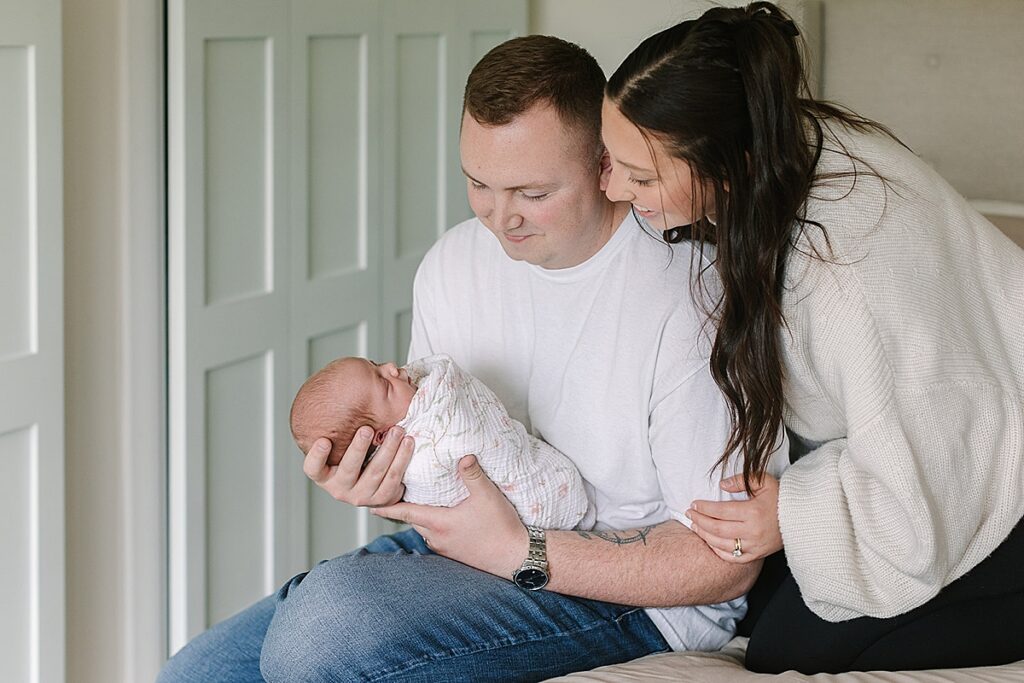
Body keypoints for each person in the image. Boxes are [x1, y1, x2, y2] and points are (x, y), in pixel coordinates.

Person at [159, 35, 787, 683]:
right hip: (474, 545)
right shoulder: (452, 265)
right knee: (192, 673)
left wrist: (523, 549)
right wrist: (384, 481)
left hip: (631, 594)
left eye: (532, 193)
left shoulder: (689, 297)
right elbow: (438, 444)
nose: (499, 217)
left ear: (606, 164)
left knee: (320, 635)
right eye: (478, 183)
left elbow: (725, 562)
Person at [600, 1, 1024, 674]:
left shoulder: (845, 271)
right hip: (910, 438)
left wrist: (792, 512)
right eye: (611, 159)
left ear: (728, 164)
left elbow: (935, 454)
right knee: (761, 602)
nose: (613, 188)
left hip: (992, 465)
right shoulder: (779, 149)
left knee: (781, 649)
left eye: (641, 175)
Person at [290, 353, 592, 529]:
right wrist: (388, 498)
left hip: (537, 536)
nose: (393, 368)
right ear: (382, 435)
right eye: (384, 383)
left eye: (376, 363)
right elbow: (435, 487)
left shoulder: (422, 392)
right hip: (479, 531)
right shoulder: (419, 456)